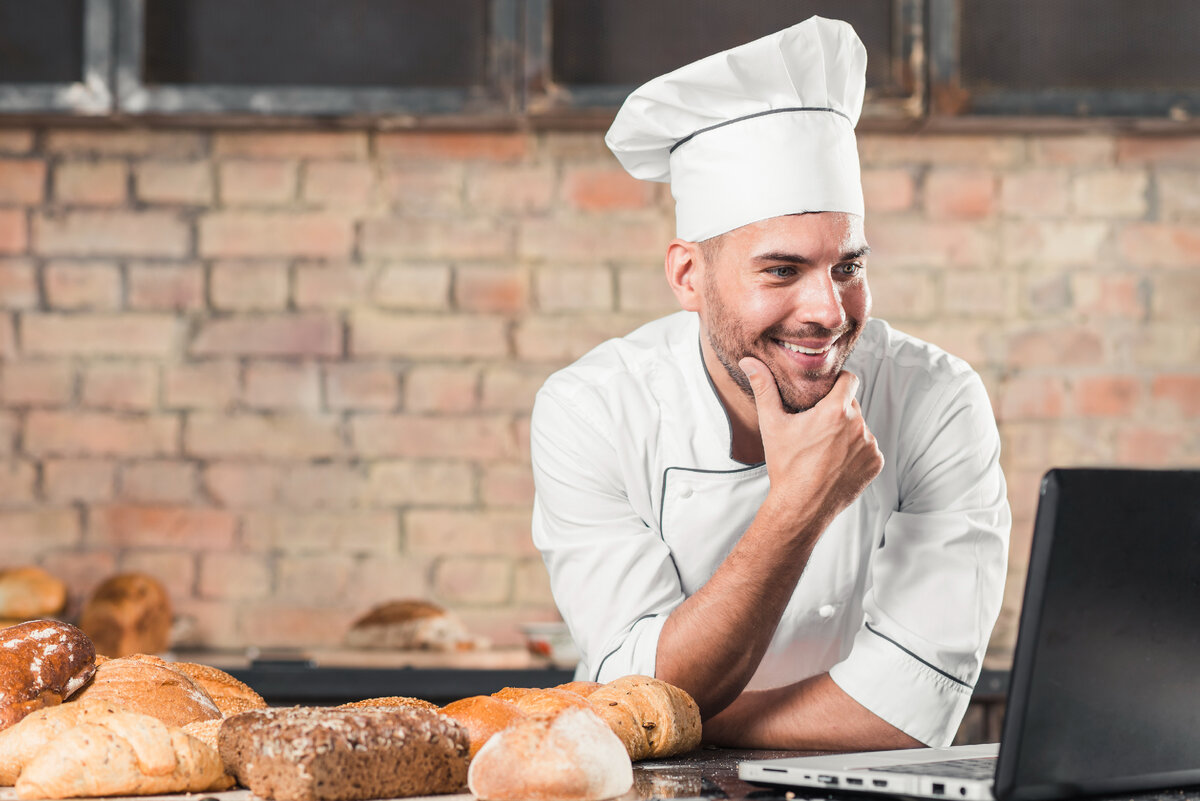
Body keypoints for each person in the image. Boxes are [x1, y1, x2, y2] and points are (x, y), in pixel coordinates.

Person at [529, 17, 1010, 751]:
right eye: (782, 270)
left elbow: (914, 709)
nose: (826, 311)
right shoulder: (594, 411)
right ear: (689, 275)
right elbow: (635, 682)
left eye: (847, 266)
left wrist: (684, 722)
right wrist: (799, 504)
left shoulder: (936, 400)